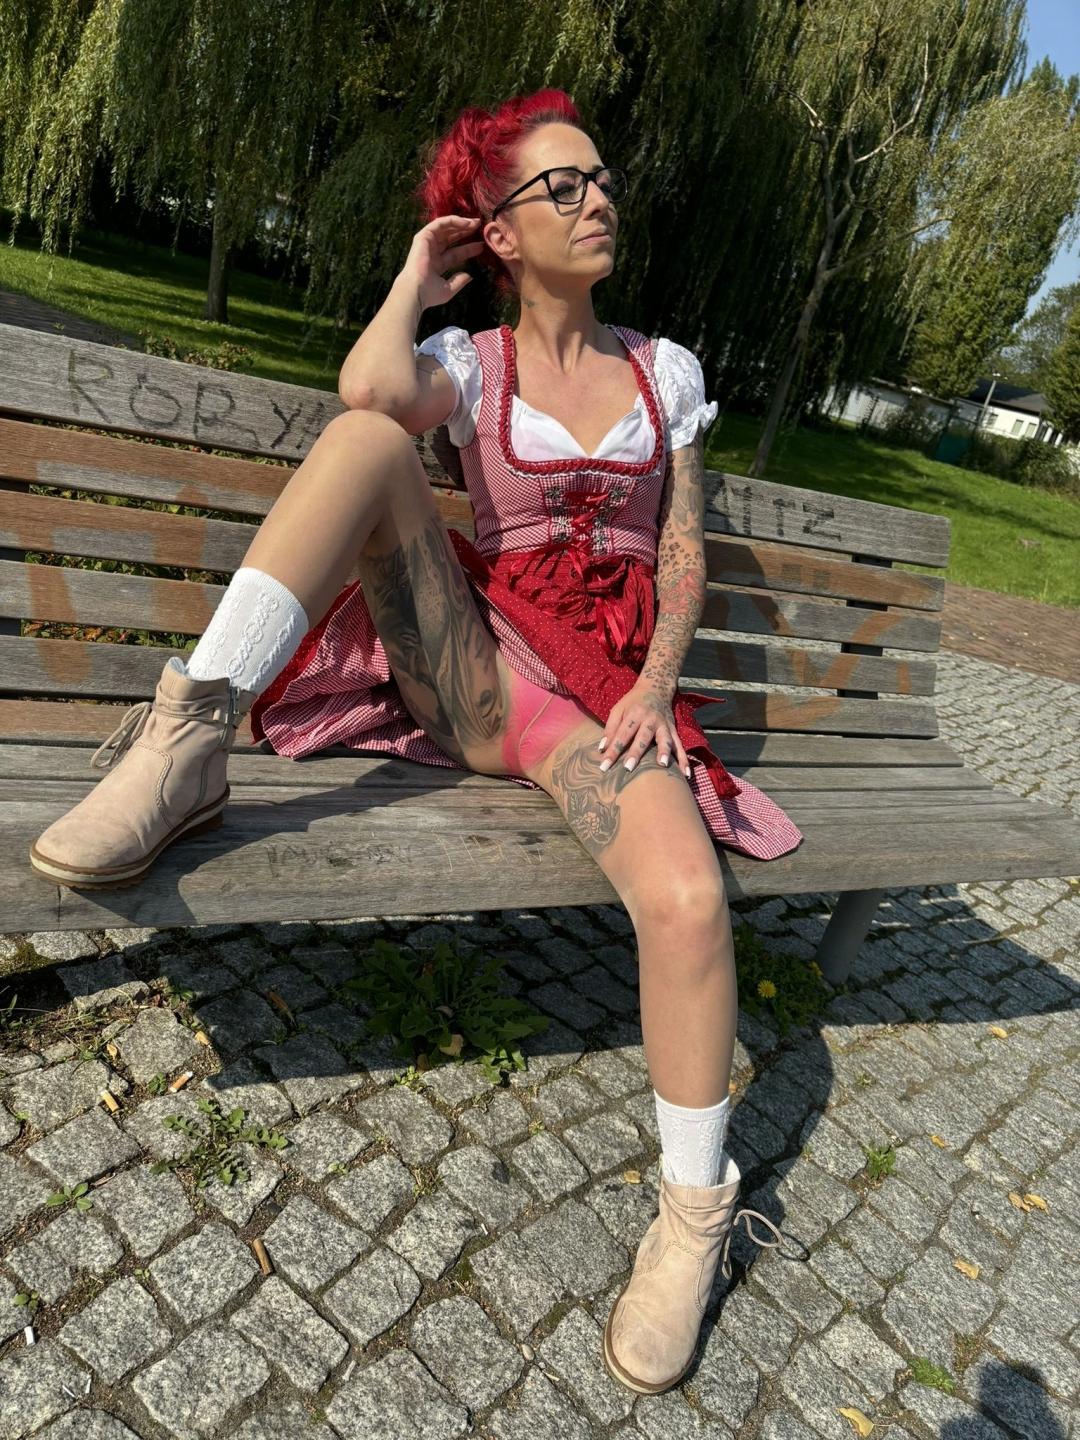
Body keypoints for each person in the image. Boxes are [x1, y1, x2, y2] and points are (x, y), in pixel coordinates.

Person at [30, 87, 793, 1393]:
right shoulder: (475, 367)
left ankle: (691, 1218)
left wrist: (658, 688)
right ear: (497, 231)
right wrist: (412, 278)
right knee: (365, 439)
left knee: (685, 899)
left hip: (602, 704)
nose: (597, 200)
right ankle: (188, 736)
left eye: (602, 179)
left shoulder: (665, 373)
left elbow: (681, 553)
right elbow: (373, 385)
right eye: (561, 186)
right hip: (483, 672)